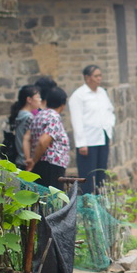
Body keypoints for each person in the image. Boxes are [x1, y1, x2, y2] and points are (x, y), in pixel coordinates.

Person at [68, 65, 116, 194]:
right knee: (88, 174)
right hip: (88, 141)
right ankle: (87, 202)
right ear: (87, 78)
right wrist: (81, 143)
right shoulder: (79, 96)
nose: (99, 79)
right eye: (96, 76)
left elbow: (110, 110)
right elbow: (77, 120)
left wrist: (109, 125)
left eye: (100, 75)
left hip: (102, 136)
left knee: (101, 172)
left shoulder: (102, 92)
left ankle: (101, 200)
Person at [26, 87, 71, 189]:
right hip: (51, 165)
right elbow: (43, 141)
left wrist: (33, 159)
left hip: (40, 164)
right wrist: (33, 160)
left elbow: (28, 138)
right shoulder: (54, 117)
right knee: (53, 200)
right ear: (63, 104)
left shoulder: (39, 115)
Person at [8, 84, 41, 169]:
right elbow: (28, 139)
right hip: (27, 161)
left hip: (19, 160)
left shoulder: (19, 114)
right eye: (37, 97)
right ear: (29, 99)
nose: (40, 100)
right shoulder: (29, 117)